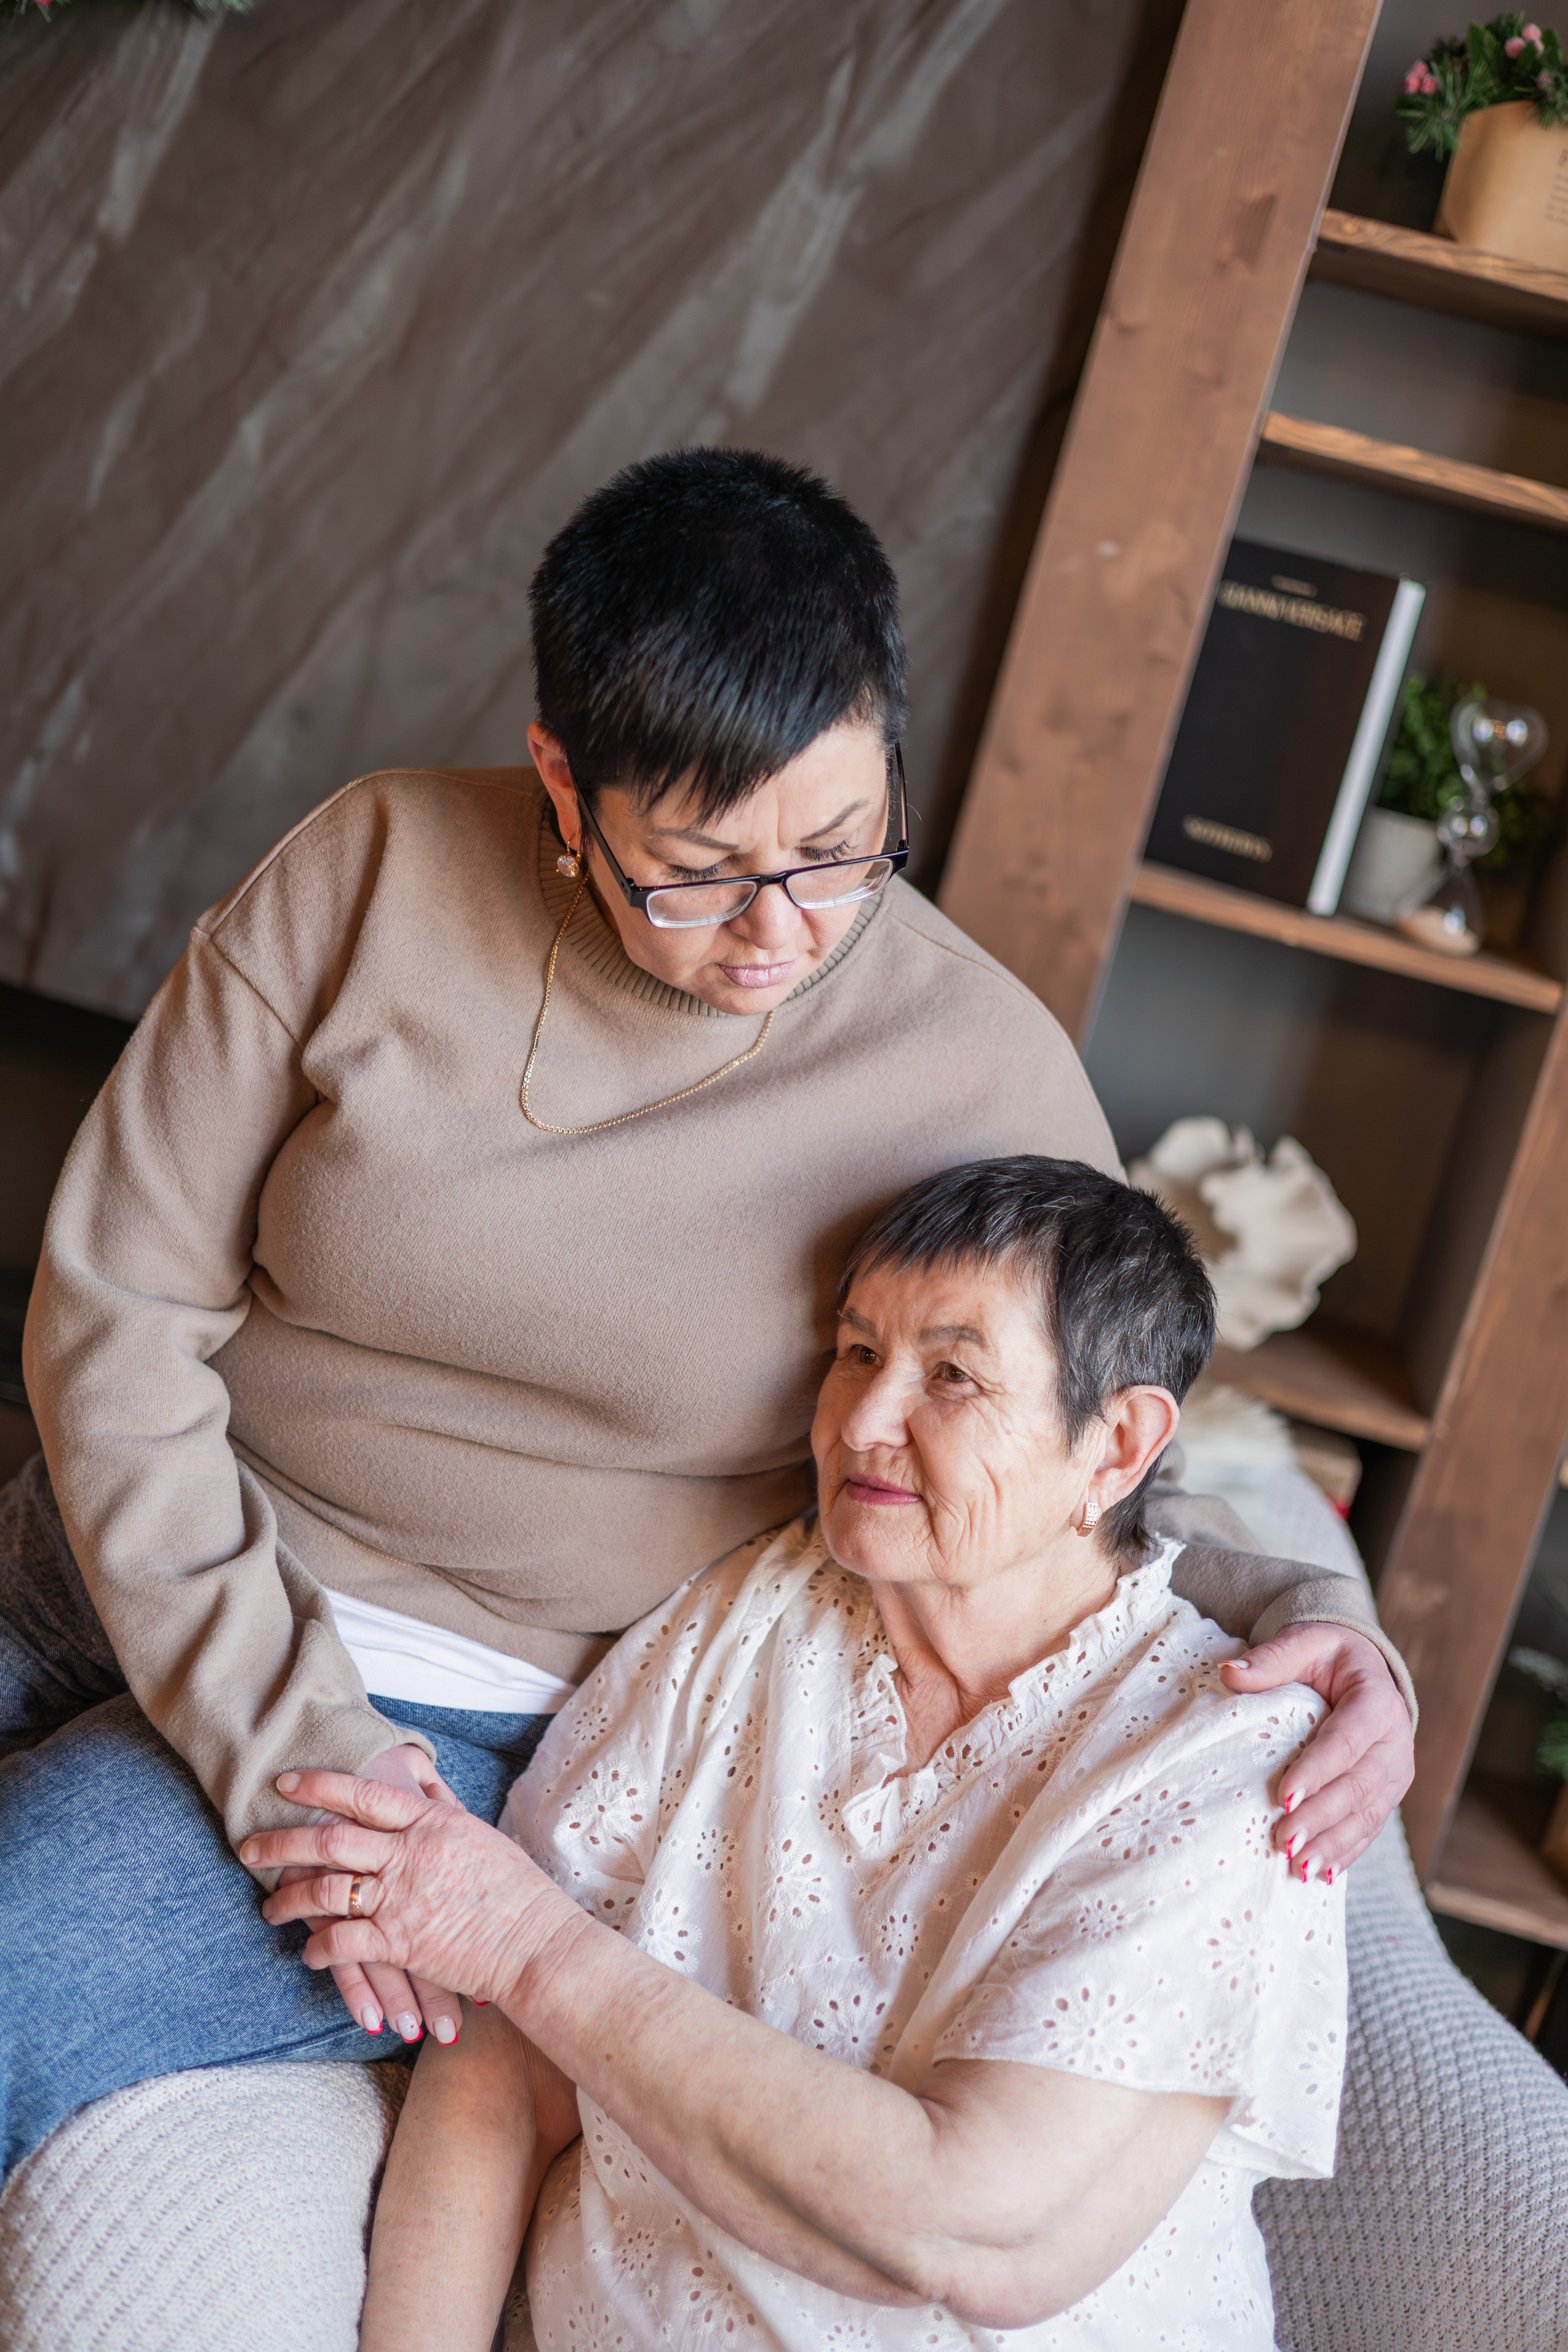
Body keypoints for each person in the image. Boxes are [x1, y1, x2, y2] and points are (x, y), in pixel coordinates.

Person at [2, 450, 1403, 2185]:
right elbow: (113, 1313)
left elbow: (1070, 1473)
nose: (779, 933)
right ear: (562, 788)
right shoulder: (371, 867)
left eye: (839, 850)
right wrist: (261, 1701)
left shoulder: (982, 1077)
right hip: (103, 1544)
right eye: (697, 871)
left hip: (441, 1732)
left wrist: (1330, 1619)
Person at [255, 1156, 1349, 2352]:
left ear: (1115, 1445)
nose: (862, 1424)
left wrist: (524, 1940)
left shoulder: (1220, 1759)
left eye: (951, 1376)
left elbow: (965, 2232)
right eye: (856, 1354)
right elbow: (502, 2072)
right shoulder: (749, 1615)